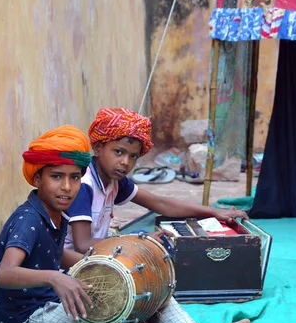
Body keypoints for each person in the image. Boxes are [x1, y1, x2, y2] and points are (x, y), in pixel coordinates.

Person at [0, 124, 252, 323]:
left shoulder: (55, 212)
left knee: (147, 282)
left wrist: (110, 269)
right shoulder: (28, 220)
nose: (67, 187)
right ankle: (142, 321)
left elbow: (55, 256)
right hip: (27, 318)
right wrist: (55, 277)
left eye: (74, 178)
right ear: (38, 178)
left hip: (54, 295)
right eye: (56, 177)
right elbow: (5, 274)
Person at [65, 107, 249, 253]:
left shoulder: (114, 180)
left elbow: (159, 203)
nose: (125, 162)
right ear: (97, 148)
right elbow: (83, 245)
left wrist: (213, 212)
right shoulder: (84, 185)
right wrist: (140, 241)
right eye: (118, 152)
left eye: (133, 156)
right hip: (73, 267)